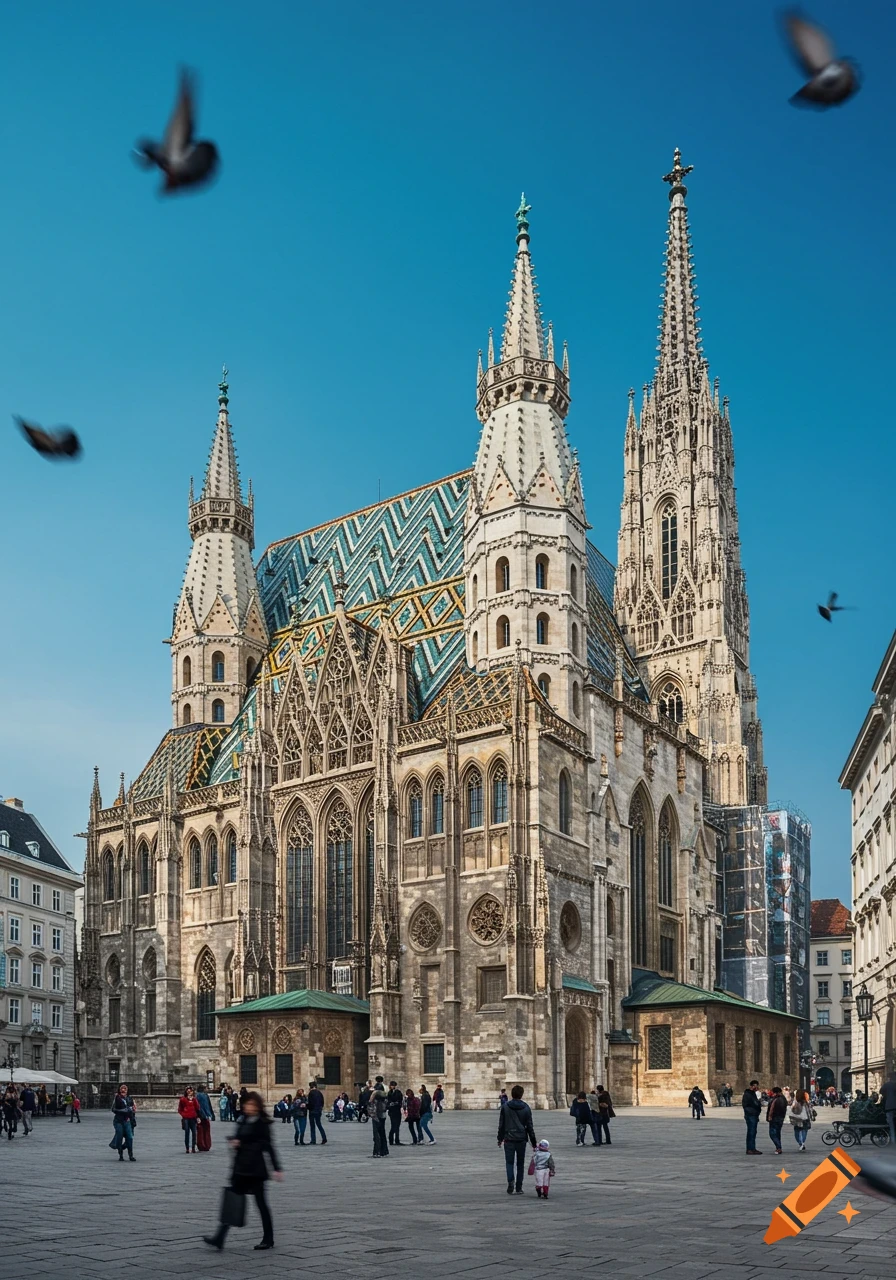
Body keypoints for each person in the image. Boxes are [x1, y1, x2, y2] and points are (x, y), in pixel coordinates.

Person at [204, 1091, 283, 1252]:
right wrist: (235, 1142)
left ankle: (268, 1238)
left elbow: (269, 1147)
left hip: (256, 1170)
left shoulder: (262, 1123)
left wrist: (277, 1168)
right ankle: (219, 1237)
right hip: (241, 1168)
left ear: (258, 1106)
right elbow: (239, 1138)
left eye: (252, 1104)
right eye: (247, 1104)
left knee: (261, 1204)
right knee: (232, 1201)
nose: (248, 1107)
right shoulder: (243, 1120)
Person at [497, 1084, 537, 1195]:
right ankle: (519, 1187)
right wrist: (534, 1143)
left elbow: (501, 1125)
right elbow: (530, 1127)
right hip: (521, 1139)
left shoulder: (505, 1107)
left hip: (509, 1138)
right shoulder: (526, 1108)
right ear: (522, 1095)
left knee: (509, 1162)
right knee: (520, 1163)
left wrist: (500, 1139)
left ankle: (510, 1181)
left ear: (512, 1094)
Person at [111, 1084, 136, 1162]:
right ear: (120, 1090)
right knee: (119, 1136)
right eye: (122, 1089)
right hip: (118, 1121)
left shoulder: (129, 1098)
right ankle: (121, 1155)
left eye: (125, 1089)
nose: (123, 1090)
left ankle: (130, 1155)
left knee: (130, 1137)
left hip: (127, 1120)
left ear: (127, 1091)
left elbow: (133, 1110)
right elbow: (113, 1109)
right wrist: (125, 1110)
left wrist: (133, 1111)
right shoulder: (117, 1098)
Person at [369, 1077, 389, 1157]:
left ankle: (377, 1151)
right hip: (383, 1115)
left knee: (376, 1134)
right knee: (382, 1133)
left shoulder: (376, 1098)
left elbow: (370, 1102)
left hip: (376, 1116)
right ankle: (384, 1151)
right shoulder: (385, 1096)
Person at [742, 1079, 762, 1155]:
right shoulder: (747, 1094)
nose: (756, 1088)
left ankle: (752, 1148)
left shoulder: (752, 1094)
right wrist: (753, 1111)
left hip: (754, 1115)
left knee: (753, 1132)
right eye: (755, 1086)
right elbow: (746, 1105)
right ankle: (750, 1149)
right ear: (752, 1086)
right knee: (751, 1132)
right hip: (751, 1115)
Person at [178, 1086, 201, 1154]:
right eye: (188, 1091)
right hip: (186, 1118)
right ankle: (187, 1148)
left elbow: (197, 1108)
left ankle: (193, 1148)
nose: (189, 1092)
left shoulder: (194, 1099)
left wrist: (198, 1117)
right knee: (187, 1133)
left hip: (193, 1118)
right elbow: (180, 1109)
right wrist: (183, 1114)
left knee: (194, 1133)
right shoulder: (183, 1099)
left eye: (190, 1091)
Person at [766, 1086, 787, 1155]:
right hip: (780, 1118)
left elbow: (772, 1109)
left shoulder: (776, 1099)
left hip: (775, 1118)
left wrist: (770, 1117)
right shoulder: (783, 1099)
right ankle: (778, 1147)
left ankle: (778, 1147)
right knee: (777, 1133)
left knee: (772, 1133)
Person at [197, 1084, 215, 1151]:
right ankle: (207, 1145)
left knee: (200, 1131)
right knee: (206, 1131)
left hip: (200, 1115)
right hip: (206, 1115)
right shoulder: (205, 1096)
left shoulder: (197, 1096)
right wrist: (211, 1114)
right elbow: (209, 1106)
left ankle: (201, 1145)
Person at [880, 1072, 896, 1147]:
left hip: (889, 1106)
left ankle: (893, 1140)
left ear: (889, 1078)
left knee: (891, 1124)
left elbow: (881, 1092)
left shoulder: (887, 1085)